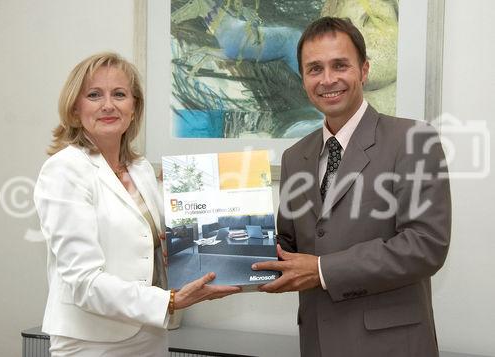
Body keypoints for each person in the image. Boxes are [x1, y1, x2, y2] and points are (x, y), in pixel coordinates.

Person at [252, 17, 451, 357]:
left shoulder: (413, 141)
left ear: (364, 70)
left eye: (339, 65)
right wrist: (205, 244)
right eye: (314, 69)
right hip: (317, 341)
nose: (327, 79)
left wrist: (320, 270)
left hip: (391, 346)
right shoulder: (294, 157)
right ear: (303, 79)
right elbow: (288, 246)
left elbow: (424, 246)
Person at [33, 52, 240, 356]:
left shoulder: (140, 168)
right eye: (94, 95)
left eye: (119, 94)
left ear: (133, 108)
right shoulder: (65, 170)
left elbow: (154, 247)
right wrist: (168, 301)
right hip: (92, 342)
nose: (108, 105)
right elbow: (83, 280)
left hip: (149, 335)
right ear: (75, 110)